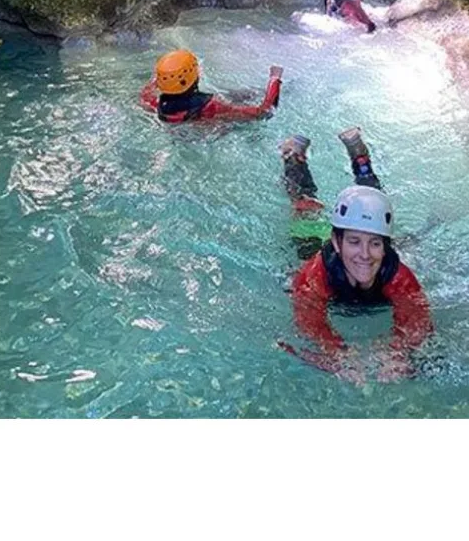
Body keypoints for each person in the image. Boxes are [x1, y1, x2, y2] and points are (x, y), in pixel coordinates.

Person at [278, 128, 433, 380]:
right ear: (336, 243)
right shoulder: (315, 274)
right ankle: (293, 157)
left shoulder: (398, 275)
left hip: (356, 236)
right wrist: (339, 353)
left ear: (386, 247)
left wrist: (397, 351)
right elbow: (308, 320)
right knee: (304, 205)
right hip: (316, 246)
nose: (364, 255)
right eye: (353, 242)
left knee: (373, 202)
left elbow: (418, 320)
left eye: (375, 244)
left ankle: (360, 158)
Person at [140, 50, 282, 123]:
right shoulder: (213, 107)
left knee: (237, 95)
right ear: (194, 77)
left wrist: (161, 77)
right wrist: (275, 78)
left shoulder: (152, 103)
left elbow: (148, 90)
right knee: (244, 96)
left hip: (186, 132)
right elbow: (265, 112)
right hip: (212, 128)